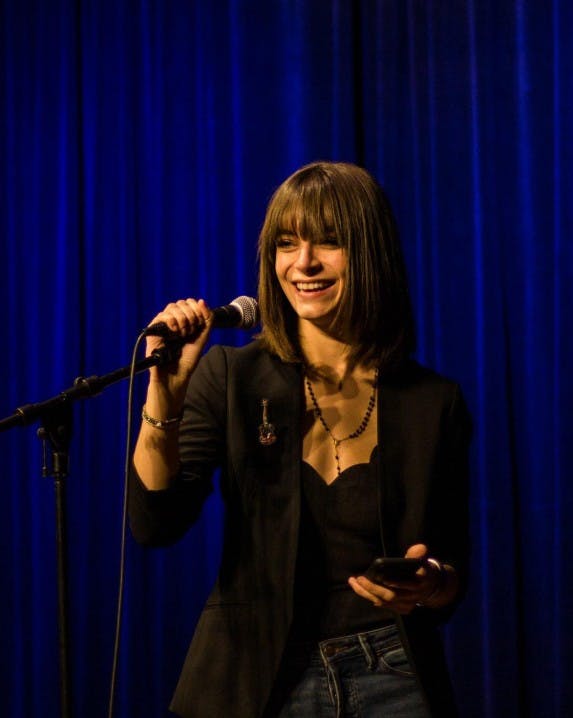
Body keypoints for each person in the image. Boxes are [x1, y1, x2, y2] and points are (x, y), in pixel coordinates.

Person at [129, 161, 472, 717]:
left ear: (371, 253)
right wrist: (163, 393)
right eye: (287, 244)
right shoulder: (232, 375)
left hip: (393, 677)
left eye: (329, 242)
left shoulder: (434, 401)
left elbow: (452, 570)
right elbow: (155, 522)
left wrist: (429, 584)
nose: (304, 263)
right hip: (252, 678)